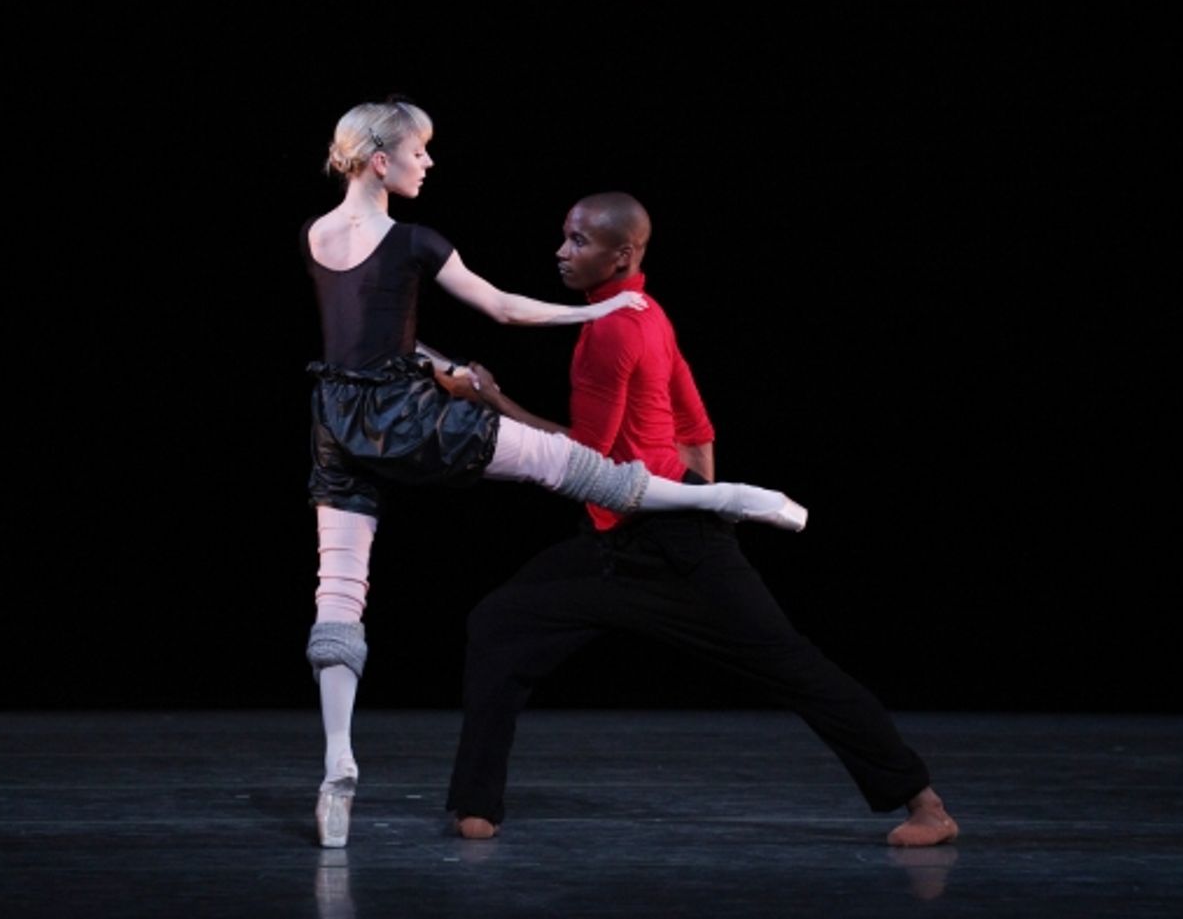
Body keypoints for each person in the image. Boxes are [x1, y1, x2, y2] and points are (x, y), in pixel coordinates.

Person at [299, 101, 806, 849]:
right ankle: (738, 496)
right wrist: (598, 313)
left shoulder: (315, 234)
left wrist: (428, 361)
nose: (427, 162)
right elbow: (504, 309)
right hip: (409, 420)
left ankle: (337, 768)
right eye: (419, 151)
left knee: (340, 587)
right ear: (381, 161)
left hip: (336, 421)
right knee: (572, 466)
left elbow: (366, 344)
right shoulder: (415, 240)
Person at [443, 192, 959, 847]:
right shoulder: (648, 313)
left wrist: (493, 400)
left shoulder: (612, 331)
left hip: (668, 537)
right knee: (500, 623)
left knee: (788, 663)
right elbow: (695, 425)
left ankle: (927, 806)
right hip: (624, 533)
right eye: (565, 237)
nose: (561, 252)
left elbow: (586, 460)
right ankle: (476, 805)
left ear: (622, 254)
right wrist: (701, 500)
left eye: (578, 241)